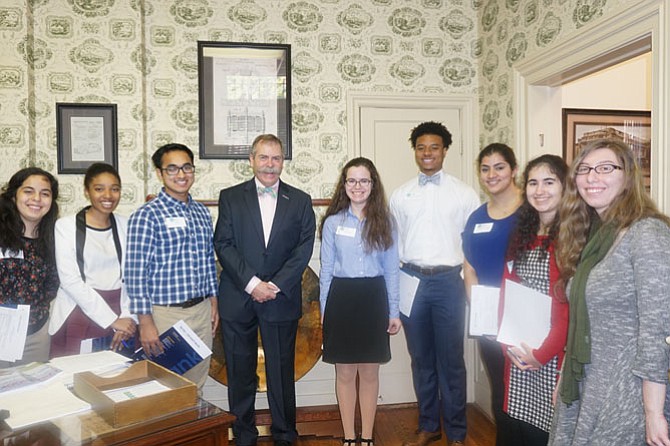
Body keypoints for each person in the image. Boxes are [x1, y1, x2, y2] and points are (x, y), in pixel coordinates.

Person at [550, 139, 670, 446]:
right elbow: (582, 316)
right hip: (588, 378)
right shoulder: (593, 235)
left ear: (628, 176)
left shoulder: (647, 233)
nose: (592, 178)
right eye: (585, 169)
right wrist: (567, 374)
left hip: (628, 385)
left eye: (605, 168)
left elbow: (657, 330)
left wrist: (653, 411)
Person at [214, 134, 316, 446]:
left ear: (282, 161)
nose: (270, 165)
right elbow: (224, 244)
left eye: (276, 158)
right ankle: (244, 435)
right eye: (264, 157)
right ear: (252, 160)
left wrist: (274, 285)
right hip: (238, 298)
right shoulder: (230, 197)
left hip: (280, 299)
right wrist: (252, 284)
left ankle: (285, 435)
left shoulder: (300, 200)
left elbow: (303, 248)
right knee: (240, 373)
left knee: (282, 374)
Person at [390, 121, 480, 446]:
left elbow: (472, 245)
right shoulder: (400, 196)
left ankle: (456, 432)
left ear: (445, 150)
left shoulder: (465, 194)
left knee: (452, 360)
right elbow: (393, 244)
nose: (427, 153)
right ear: (415, 151)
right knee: (421, 358)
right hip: (411, 280)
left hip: (449, 282)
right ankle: (429, 425)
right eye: (421, 147)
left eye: (434, 147)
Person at [319, 157, 402, 445]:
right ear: (344, 185)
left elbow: (392, 270)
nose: (358, 186)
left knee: (369, 373)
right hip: (341, 300)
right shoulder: (332, 223)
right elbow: (326, 271)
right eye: (352, 180)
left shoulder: (386, 222)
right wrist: (324, 311)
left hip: (373, 299)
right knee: (344, 373)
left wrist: (394, 311)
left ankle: (366, 437)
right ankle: (349, 437)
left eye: (364, 180)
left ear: (373, 184)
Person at [124, 143, 219, 390]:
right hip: (165, 315)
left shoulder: (201, 213)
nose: (181, 174)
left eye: (187, 167)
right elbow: (135, 274)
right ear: (160, 173)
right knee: (164, 385)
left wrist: (213, 302)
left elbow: (208, 260)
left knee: (197, 381)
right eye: (172, 169)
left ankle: (193, 429)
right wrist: (145, 323)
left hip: (200, 311)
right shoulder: (146, 215)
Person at [497, 154, 569, 445]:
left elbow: (568, 310)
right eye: (533, 183)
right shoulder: (521, 234)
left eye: (549, 182)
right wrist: (507, 345)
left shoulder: (574, 237)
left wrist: (541, 355)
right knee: (517, 430)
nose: (539, 190)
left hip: (552, 358)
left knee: (547, 432)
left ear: (566, 187)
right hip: (518, 352)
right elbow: (506, 291)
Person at [461, 143, 522, 446]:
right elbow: (469, 268)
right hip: (488, 318)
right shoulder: (476, 218)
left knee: (527, 389)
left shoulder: (531, 211)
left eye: (499, 167)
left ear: (513, 170)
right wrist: (481, 308)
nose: (492, 174)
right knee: (500, 388)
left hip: (525, 319)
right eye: (485, 169)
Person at [49, 163, 136, 357]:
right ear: (87, 191)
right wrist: (111, 320)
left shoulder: (127, 224)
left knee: (117, 378)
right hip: (80, 309)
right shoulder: (65, 226)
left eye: (115, 189)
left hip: (121, 309)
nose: (108, 195)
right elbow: (70, 280)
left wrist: (128, 317)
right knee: (75, 379)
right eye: (99, 189)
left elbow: (135, 275)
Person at [0, 167, 59, 366]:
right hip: (1, 332)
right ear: (13, 195)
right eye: (28, 191)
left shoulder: (56, 239)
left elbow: (52, 287)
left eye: (45, 193)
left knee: (33, 393)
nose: (36, 198)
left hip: (37, 333)